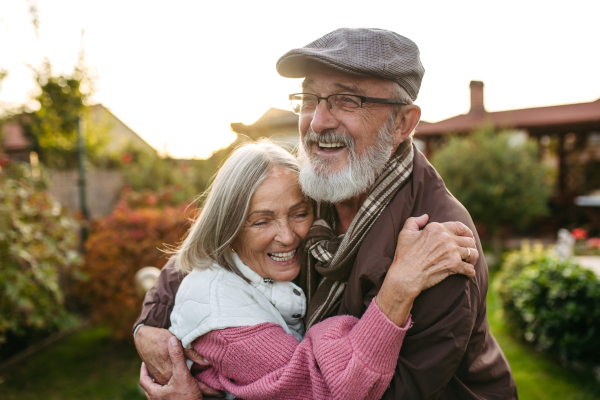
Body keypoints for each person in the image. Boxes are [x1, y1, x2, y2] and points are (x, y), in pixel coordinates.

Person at [136, 28, 518, 399]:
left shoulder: (438, 243)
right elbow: (207, 248)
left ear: (402, 122)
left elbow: (393, 392)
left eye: (347, 100)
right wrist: (147, 329)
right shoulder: (310, 181)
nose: (317, 122)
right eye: (309, 98)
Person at [158, 140, 475, 400]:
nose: (287, 236)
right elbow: (324, 391)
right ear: (228, 229)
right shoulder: (225, 320)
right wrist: (398, 288)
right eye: (262, 220)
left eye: (299, 213)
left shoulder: (276, 265)